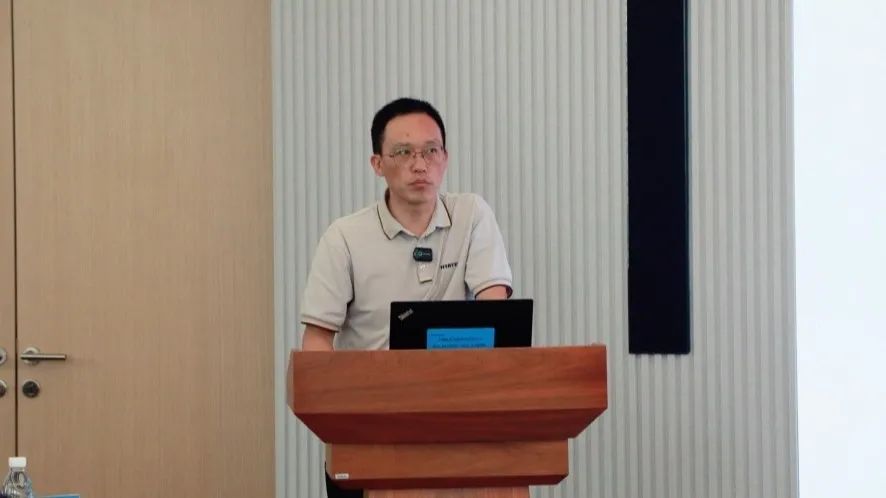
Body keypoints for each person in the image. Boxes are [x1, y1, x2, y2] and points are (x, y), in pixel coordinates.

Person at [299, 97, 513, 497]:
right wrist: (336, 421)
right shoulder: (344, 237)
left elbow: (495, 316)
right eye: (403, 152)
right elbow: (317, 341)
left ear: (445, 158)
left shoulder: (472, 216)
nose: (420, 164)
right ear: (377, 164)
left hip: (456, 421)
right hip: (369, 427)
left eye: (431, 151)